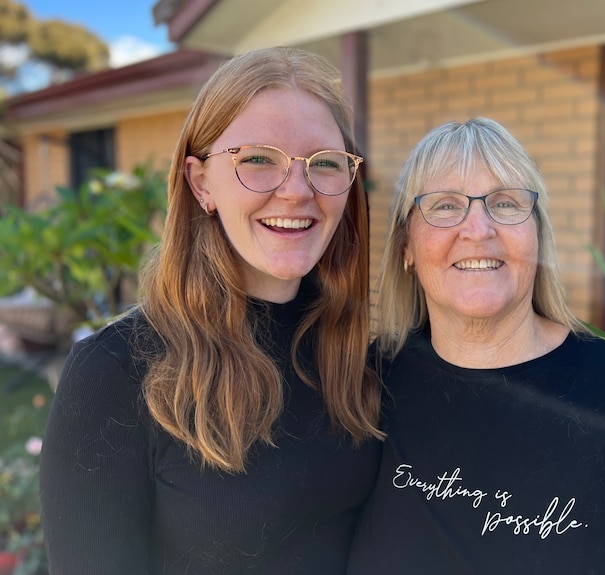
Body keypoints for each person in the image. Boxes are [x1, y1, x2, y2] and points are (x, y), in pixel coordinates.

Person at [40, 46, 382, 574]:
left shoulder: (357, 355)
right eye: (258, 160)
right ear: (201, 184)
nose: (297, 191)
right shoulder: (115, 373)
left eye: (324, 164)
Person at [348, 118, 605, 575]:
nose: (478, 228)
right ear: (406, 247)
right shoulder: (363, 385)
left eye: (505, 203)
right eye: (445, 206)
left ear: (537, 237)